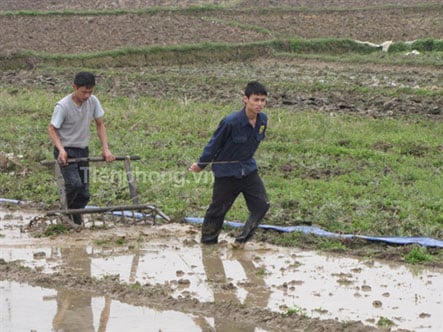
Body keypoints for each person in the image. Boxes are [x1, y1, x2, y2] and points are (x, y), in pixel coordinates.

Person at [189, 81, 270, 248]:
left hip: (248, 170)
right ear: (245, 99)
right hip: (226, 173)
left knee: (262, 205)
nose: (260, 104)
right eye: (256, 99)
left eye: (263, 100)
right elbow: (214, 144)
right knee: (218, 210)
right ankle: (208, 244)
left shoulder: (263, 120)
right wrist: (201, 164)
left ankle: (241, 241)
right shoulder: (231, 122)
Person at [48, 71, 115, 225]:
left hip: (82, 149)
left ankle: (73, 216)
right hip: (65, 150)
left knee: (84, 194)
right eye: (84, 92)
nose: (87, 96)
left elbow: (100, 124)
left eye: (90, 92)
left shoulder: (93, 101)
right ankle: (66, 212)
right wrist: (61, 150)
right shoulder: (63, 106)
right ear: (74, 87)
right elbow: (52, 128)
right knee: (74, 184)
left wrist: (105, 148)